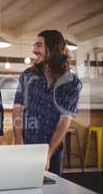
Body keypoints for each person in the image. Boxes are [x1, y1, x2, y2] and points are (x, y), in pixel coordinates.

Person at [12, 30, 82, 175]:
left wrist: (48, 154)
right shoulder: (27, 75)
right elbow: (17, 111)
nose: (34, 50)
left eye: (39, 45)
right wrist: (18, 144)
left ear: (53, 48)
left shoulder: (72, 82)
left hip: (53, 149)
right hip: (27, 146)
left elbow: (64, 121)